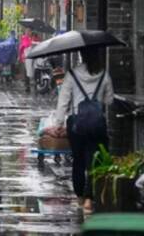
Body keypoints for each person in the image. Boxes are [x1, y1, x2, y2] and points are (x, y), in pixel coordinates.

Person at [53, 47, 114, 213]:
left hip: (76, 124)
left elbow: (63, 102)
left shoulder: (72, 75)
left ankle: (80, 197)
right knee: (95, 161)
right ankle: (89, 198)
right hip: (97, 123)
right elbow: (109, 100)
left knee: (78, 161)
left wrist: (58, 124)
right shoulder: (104, 74)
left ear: (81, 55)